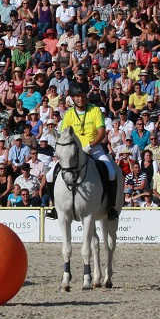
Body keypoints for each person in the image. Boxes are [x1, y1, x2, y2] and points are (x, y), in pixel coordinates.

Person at [44, 81, 119, 221]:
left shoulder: (95, 110)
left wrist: (90, 146)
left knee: (111, 172)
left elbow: (101, 133)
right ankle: (55, 207)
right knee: (49, 175)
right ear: (72, 98)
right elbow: (64, 135)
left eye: (82, 95)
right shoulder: (68, 114)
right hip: (73, 151)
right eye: (77, 96)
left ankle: (111, 207)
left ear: (86, 96)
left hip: (93, 148)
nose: (80, 98)